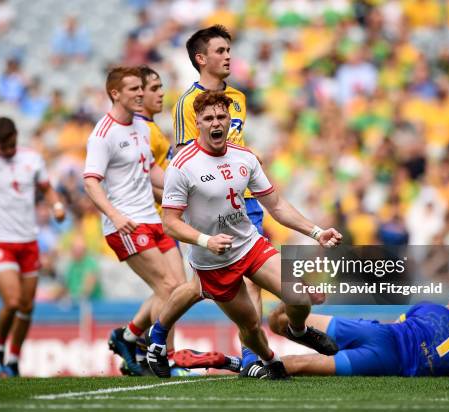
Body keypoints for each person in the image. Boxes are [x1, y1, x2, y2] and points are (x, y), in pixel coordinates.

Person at [147, 91, 343, 380]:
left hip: (248, 244)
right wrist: (206, 241)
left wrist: (316, 231)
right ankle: (271, 361)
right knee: (250, 326)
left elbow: (276, 204)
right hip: (215, 260)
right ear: (197, 123)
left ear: (230, 122)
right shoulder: (182, 165)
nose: (216, 123)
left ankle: (297, 330)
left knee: (300, 296)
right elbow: (170, 223)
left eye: (222, 117)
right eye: (209, 118)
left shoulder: (245, 157)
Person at [163, 24, 266, 369]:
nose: (228, 56)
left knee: (255, 279)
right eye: (220, 51)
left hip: (245, 198)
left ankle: (253, 356)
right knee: (202, 286)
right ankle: (152, 334)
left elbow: (232, 148)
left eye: (229, 50)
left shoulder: (237, 98)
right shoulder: (187, 104)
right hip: (210, 205)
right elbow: (181, 157)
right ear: (201, 58)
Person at [83, 66, 183, 376]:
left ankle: (127, 337)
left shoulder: (141, 127)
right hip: (126, 224)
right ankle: (161, 357)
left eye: (142, 88)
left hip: (152, 218)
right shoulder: (103, 134)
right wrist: (114, 214)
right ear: (115, 93)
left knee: (179, 289)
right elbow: (90, 182)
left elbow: (151, 169)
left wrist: (183, 191)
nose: (141, 94)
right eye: (134, 89)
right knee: (167, 287)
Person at [178, 289, 449, 378]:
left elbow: (400, 322)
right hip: (388, 361)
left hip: (377, 332)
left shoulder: (433, 308)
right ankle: (229, 367)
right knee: (290, 365)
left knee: (279, 322)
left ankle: (296, 312)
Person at [0, 117, 66, 377]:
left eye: (11, 145)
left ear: (16, 136)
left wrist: (56, 206)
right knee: (12, 301)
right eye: (3, 146)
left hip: (28, 239)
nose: (8, 150)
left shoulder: (32, 159)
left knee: (27, 306)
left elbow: (47, 188)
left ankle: (13, 358)